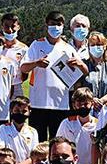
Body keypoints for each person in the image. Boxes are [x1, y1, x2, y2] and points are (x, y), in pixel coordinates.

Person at [22, 11, 88, 142]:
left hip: (60, 103)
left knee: (57, 142)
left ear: (63, 26)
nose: (56, 27)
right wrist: (36, 63)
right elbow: (23, 68)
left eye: (59, 24)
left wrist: (79, 64)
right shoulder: (37, 44)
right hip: (38, 102)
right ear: (47, 25)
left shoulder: (68, 48)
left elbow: (85, 71)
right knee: (37, 141)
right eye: (53, 24)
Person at [56, 87, 99, 164]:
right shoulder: (67, 123)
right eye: (79, 103)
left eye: (86, 103)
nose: (82, 106)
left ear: (92, 104)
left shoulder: (98, 125)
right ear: (74, 105)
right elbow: (58, 144)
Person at [0, 96, 39, 164]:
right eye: (17, 110)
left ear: (29, 112)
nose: (20, 113)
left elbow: (34, 157)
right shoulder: (4, 128)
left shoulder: (33, 132)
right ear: (11, 111)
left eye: (24, 111)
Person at [0, 12, 29, 97]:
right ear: (2, 27)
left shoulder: (24, 49)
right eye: (6, 26)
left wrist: (15, 82)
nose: (10, 30)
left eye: (13, 26)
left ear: (18, 27)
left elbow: (25, 74)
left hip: (16, 87)